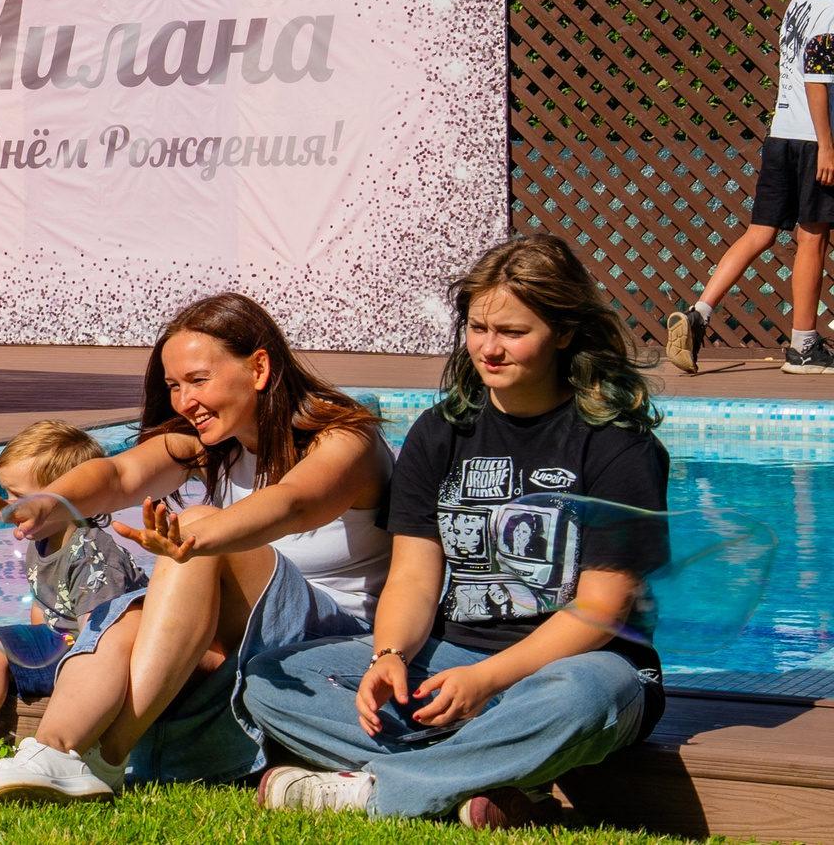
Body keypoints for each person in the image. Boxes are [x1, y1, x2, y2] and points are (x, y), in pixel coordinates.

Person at [245, 235, 671, 826]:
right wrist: (390, 654)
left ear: (566, 332)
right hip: (448, 658)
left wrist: (486, 680)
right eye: (477, 328)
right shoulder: (440, 432)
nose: (489, 350)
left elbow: (604, 607)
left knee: (584, 700)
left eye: (513, 333)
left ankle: (383, 790)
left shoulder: (616, 442)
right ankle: (502, 778)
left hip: (583, 665)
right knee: (270, 680)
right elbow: (416, 580)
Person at [0, 293, 391, 804]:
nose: (183, 401)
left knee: (193, 526)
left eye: (198, 381)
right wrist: (52, 502)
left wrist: (195, 538)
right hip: (251, 634)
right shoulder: (209, 444)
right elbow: (119, 473)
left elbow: (292, 505)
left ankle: (109, 757)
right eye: (174, 386)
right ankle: (54, 750)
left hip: (341, 640)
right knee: (131, 615)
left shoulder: (345, 439)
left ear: (259, 368)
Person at [667, 0, 834, 374]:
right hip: (814, 139)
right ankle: (803, 347)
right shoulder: (832, 13)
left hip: (780, 135)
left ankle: (698, 314)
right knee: (812, 238)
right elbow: (817, 82)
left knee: (759, 233)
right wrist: (828, 146)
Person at [0, 421, 148, 768]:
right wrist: (33, 644)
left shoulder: (92, 554)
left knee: (80, 655)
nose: (9, 506)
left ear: (68, 499)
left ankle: (70, 742)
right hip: (62, 649)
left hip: (100, 663)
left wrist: (69, 666)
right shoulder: (39, 538)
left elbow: (103, 635)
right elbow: (42, 607)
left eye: (19, 497)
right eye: (6, 493)